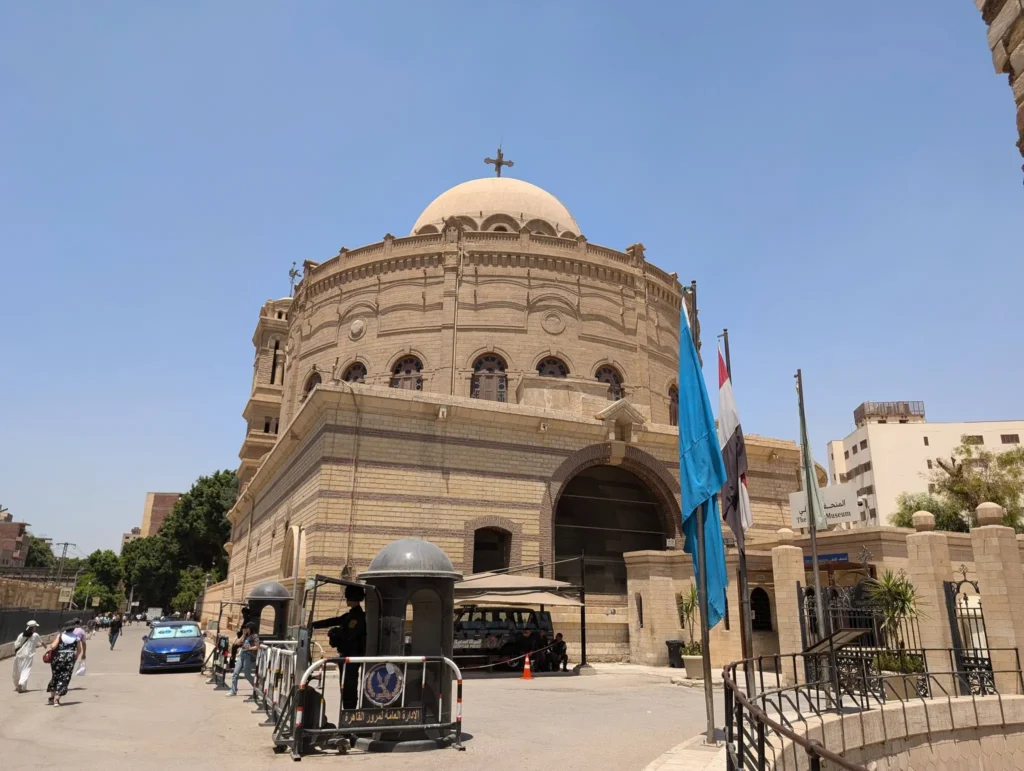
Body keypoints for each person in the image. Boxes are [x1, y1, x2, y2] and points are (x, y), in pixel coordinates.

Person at [313, 585, 367, 709]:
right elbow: (334, 620)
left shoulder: (357, 618)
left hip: (352, 656)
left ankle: (349, 711)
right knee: (345, 686)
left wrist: (334, 632)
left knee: (349, 687)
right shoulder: (351, 616)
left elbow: (348, 635)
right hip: (347, 657)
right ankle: (348, 710)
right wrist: (314, 625)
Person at [46, 621, 83, 706]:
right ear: (73, 629)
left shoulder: (60, 635)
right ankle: (57, 698)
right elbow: (79, 650)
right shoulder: (76, 638)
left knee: (55, 676)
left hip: (58, 658)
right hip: (69, 658)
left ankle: (52, 697)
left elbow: (53, 646)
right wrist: (75, 656)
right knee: (65, 677)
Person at [228, 621, 260, 697]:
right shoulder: (245, 636)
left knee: (247, 675)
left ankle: (257, 688)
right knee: (235, 673)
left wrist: (249, 648)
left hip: (248, 656)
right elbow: (237, 643)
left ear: (251, 628)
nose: (246, 629)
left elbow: (257, 646)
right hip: (241, 655)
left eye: (247, 628)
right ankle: (233, 690)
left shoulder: (254, 636)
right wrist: (243, 635)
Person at [12, 620, 42, 693]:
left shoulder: (21, 634)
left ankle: (17, 685)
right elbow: (40, 643)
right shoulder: (35, 635)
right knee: (25, 670)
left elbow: (16, 644)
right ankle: (21, 684)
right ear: (33, 628)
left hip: (19, 654)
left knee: (17, 670)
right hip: (28, 655)